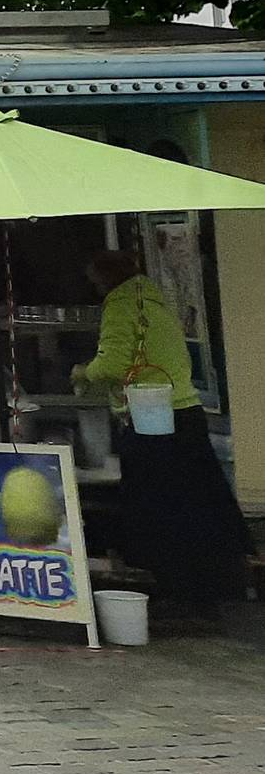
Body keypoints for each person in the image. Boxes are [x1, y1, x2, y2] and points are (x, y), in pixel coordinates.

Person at [76, 250, 252, 619]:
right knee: (198, 503)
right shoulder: (154, 300)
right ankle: (216, 587)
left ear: (107, 279)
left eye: (94, 282)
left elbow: (113, 363)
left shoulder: (121, 306)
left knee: (160, 508)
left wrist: (82, 373)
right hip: (186, 412)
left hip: (151, 420)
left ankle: (179, 590)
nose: (94, 289)